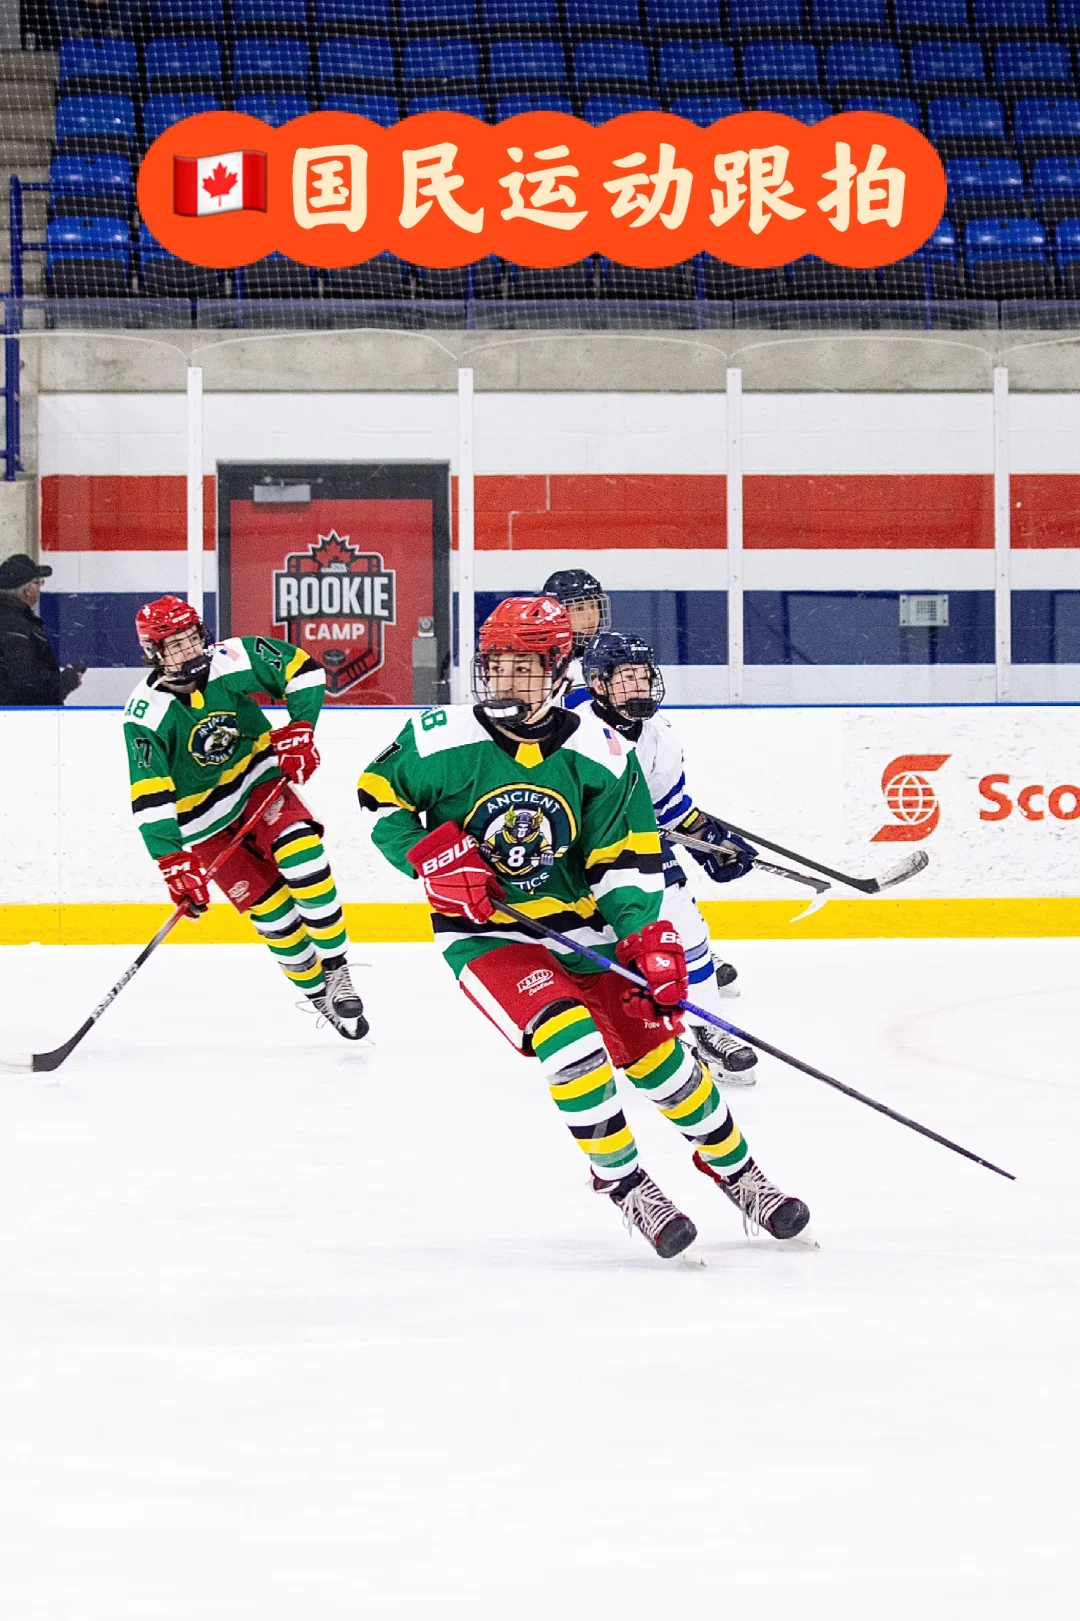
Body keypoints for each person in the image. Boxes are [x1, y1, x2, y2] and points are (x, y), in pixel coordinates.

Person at [357, 595, 808, 1257]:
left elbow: (620, 855)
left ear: (558, 666)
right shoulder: (440, 739)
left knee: (666, 1065)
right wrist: (427, 855)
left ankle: (741, 1174)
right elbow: (377, 797)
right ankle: (626, 1182)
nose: (506, 680)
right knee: (569, 1042)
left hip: (586, 931)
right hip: (490, 934)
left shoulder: (599, 750)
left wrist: (644, 935)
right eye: (497, 665)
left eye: (524, 667)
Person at [123, 595, 367, 1041]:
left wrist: (300, 728)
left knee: (303, 858)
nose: (188, 652)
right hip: (203, 826)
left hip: (258, 786)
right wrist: (173, 862)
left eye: (191, 638)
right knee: (275, 917)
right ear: (153, 654)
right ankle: (318, 995)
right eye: (173, 646)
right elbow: (150, 795)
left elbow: (302, 670)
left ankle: (337, 971)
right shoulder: (146, 714)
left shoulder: (230, 660)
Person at [581, 630, 761, 1086]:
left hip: (637, 851)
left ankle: (706, 1029)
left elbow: (672, 810)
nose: (639, 686)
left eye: (643, 675)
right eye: (626, 678)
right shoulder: (573, 729)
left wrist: (712, 843)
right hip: (576, 860)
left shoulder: (661, 736)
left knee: (686, 931)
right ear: (599, 684)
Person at [0, 554, 84, 707]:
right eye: (39, 582)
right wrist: (66, 680)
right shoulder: (17, 628)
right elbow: (28, 685)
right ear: (28, 589)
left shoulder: (15, 623)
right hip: (23, 724)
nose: (40, 588)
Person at [540, 568, 610, 695]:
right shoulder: (540, 665)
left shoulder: (610, 658)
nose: (591, 616)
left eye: (594, 606)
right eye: (579, 608)